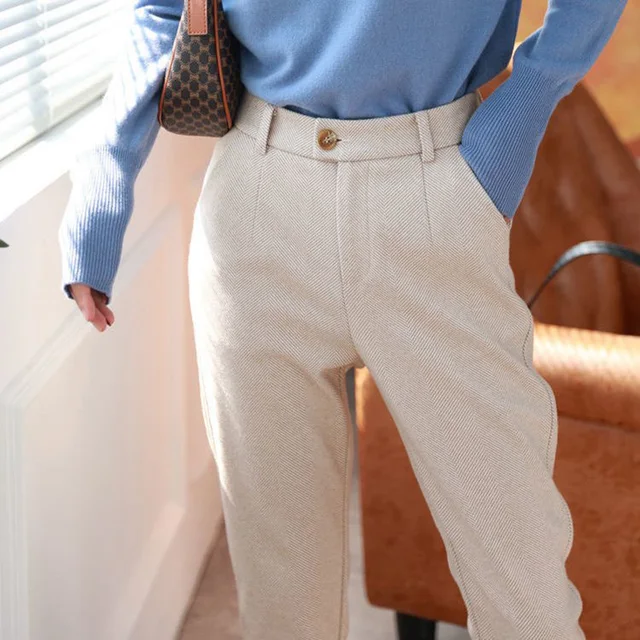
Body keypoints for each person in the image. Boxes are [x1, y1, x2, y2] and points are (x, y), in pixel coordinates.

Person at [58, 1, 628, 638]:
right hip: (256, 210)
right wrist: (105, 177)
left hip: (435, 194)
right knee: (282, 607)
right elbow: (164, 10)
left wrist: (526, 105)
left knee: (525, 591)